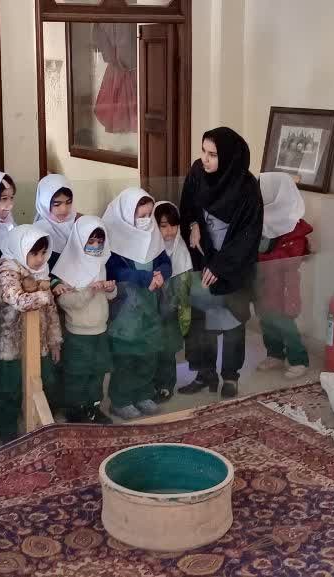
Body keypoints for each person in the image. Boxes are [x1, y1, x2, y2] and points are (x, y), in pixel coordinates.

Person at [177, 127, 263, 399]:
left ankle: (230, 377)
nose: (205, 158)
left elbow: (248, 235)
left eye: (213, 154)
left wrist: (220, 266)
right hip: (203, 259)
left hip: (232, 266)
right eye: (203, 151)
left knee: (233, 321)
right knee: (201, 319)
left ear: (228, 157)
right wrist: (193, 224)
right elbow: (187, 204)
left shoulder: (246, 187)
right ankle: (204, 373)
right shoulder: (197, 172)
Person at [103, 188, 171, 420]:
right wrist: (144, 278)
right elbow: (114, 271)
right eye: (141, 215)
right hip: (125, 308)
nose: (146, 220)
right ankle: (120, 400)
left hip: (149, 306)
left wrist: (161, 274)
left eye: (149, 215)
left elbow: (164, 261)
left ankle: (143, 394)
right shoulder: (113, 235)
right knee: (126, 357)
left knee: (148, 354)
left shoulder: (152, 234)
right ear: (127, 213)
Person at [0, 225, 62, 442]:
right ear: (21, 250)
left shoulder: (42, 273)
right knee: (9, 389)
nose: (40, 259)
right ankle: (8, 433)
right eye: (34, 253)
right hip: (11, 345)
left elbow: (51, 312)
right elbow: (19, 300)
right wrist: (43, 294)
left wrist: (54, 341)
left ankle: (38, 426)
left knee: (45, 382)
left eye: (43, 253)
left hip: (39, 343)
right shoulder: (7, 273)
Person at [52, 215, 115, 423]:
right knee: (77, 373)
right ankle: (75, 410)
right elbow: (66, 302)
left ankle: (93, 407)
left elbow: (108, 297)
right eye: (91, 241)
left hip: (100, 329)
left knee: (97, 372)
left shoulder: (100, 264)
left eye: (100, 242)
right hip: (79, 333)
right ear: (79, 240)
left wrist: (110, 289)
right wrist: (89, 291)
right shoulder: (67, 267)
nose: (96, 246)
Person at [254, 172, 313, 379]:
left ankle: (299, 359)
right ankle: (275, 354)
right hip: (262, 282)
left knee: (284, 322)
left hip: (284, 286)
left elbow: (291, 259)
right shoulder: (262, 221)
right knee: (266, 320)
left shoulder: (294, 227)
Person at [152, 201, 193, 402]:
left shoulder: (181, 250)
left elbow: (185, 290)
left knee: (167, 350)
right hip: (151, 311)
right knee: (151, 349)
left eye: (174, 225)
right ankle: (148, 386)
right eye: (163, 226)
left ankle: (166, 385)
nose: (170, 231)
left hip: (171, 312)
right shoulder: (148, 249)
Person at [33, 174, 77, 269]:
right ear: (44, 203)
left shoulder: (78, 224)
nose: (64, 209)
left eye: (69, 202)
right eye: (57, 204)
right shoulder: (38, 232)